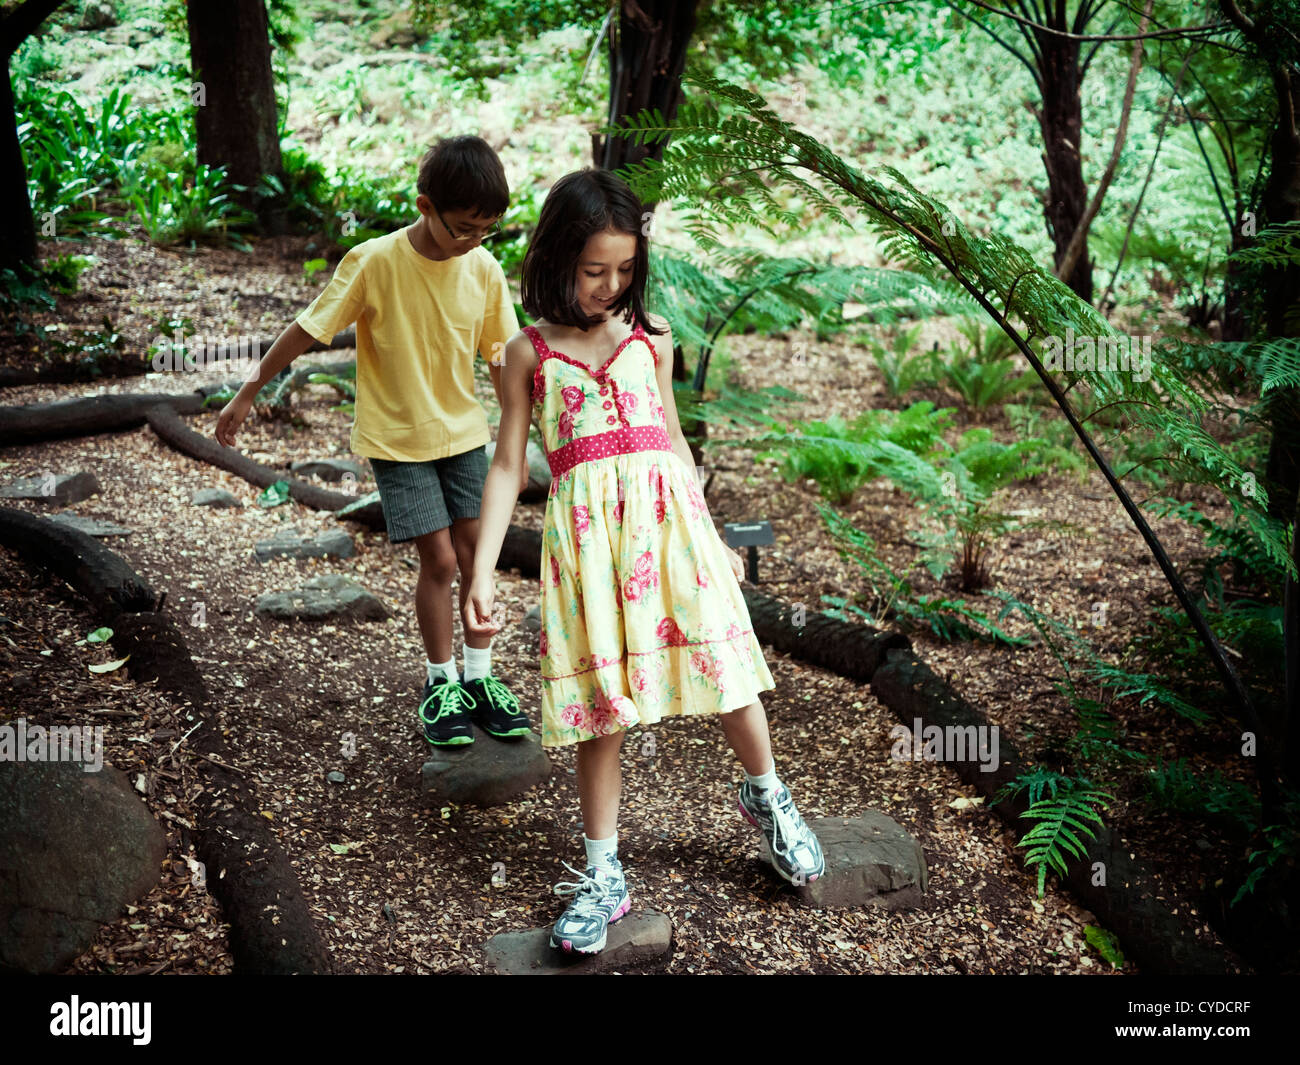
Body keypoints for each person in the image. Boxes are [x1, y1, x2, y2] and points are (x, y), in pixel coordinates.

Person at [463, 168, 825, 955]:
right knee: (601, 710)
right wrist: (483, 571)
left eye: (624, 270)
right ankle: (604, 874)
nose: (610, 285)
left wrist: (715, 534)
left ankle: (768, 798)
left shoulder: (650, 336)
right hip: (590, 551)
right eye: (595, 270)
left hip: (671, 534)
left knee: (728, 671)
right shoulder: (527, 354)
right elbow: (504, 465)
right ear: (556, 257)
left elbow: (672, 440)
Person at [215, 136, 531, 748]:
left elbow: (501, 357)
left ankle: (479, 678)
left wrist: (522, 440)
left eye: (485, 231)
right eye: (463, 227)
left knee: (477, 559)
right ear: (425, 205)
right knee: (439, 562)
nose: (472, 240)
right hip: (397, 440)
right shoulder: (374, 262)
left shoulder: (484, 269)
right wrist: (247, 391)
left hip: (464, 436)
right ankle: (440, 683)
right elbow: (307, 329)